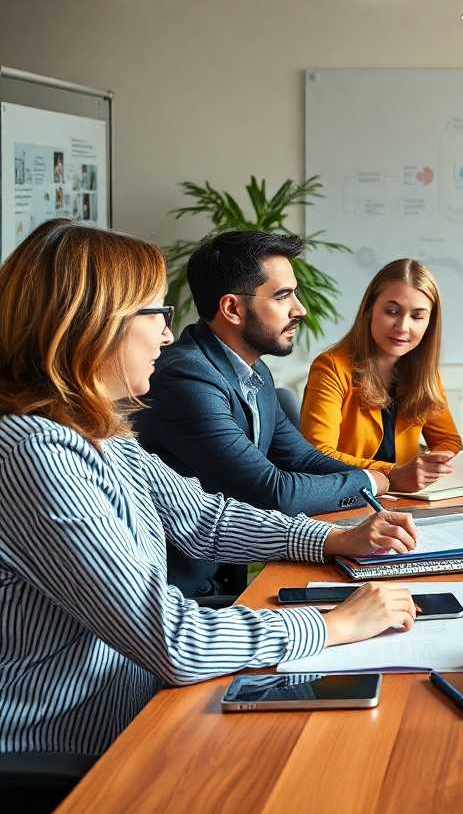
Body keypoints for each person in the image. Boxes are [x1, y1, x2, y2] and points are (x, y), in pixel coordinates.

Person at [0, 220, 416, 766]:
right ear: (95, 326)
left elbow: (202, 518)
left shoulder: (98, 432)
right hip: (73, 743)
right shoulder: (37, 452)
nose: (168, 336)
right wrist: (332, 625)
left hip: (143, 701)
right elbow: (172, 640)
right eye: (156, 314)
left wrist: (330, 541)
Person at [134, 231, 386, 598]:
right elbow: (272, 493)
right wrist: (369, 483)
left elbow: (299, 458)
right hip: (181, 592)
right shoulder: (185, 377)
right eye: (283, 296)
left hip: (228, 575)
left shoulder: (252, 370)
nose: (300, 309)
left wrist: (378, 480)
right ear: (232, 308)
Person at [300, 259, 462, 492]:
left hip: (408, 500)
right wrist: (395, 474)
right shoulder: (331, 367)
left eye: (417, 316)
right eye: (392, 311)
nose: (403, 327)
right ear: (369, 309)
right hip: (347, 498)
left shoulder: (425, 372)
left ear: (430, 323)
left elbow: (449, 441)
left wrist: (434, 464)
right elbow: (318, 454)